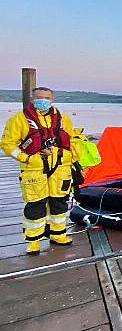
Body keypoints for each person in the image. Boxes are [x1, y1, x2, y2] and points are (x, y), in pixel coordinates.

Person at [1, 87, 78, 254]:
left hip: (60, 167)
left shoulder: (63, 119)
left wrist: (76, 160)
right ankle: (33, 240)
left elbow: (71, 140)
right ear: (32, 99)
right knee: (35, 204)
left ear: (52, 99)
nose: (42, 100)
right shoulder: (19, 119)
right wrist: (26, 158)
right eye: (39, 97)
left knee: (59, 202)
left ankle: (58, 234)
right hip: (34, 168)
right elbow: (7, 144)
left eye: (46, 97)